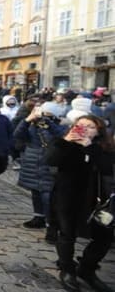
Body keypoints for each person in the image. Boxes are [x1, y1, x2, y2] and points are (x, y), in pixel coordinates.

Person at [45, 115, 115, 292]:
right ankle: (67, 269)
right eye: (80, 126)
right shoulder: (64, 143)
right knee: (67, 233)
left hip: (96, 199)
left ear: (98, 130)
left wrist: (89, 147)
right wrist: (66, 142)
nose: (84, 129)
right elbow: (51, 161)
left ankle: (87, 269)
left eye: (89, 127)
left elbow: (106, 168)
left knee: (104, 236)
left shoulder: (102, 147)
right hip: (68, 196)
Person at [13, 101, 67, 241]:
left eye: (47, 114)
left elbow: (63, 137)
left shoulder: (61, 125)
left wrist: (49, 124)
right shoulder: (33, 125)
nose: (43, 116)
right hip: (32, 161)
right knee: (35, 191)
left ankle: (52, 226)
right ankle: (38, 217)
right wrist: (27, 120)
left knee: (48, 196)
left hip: (49, 163)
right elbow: (18, 134)